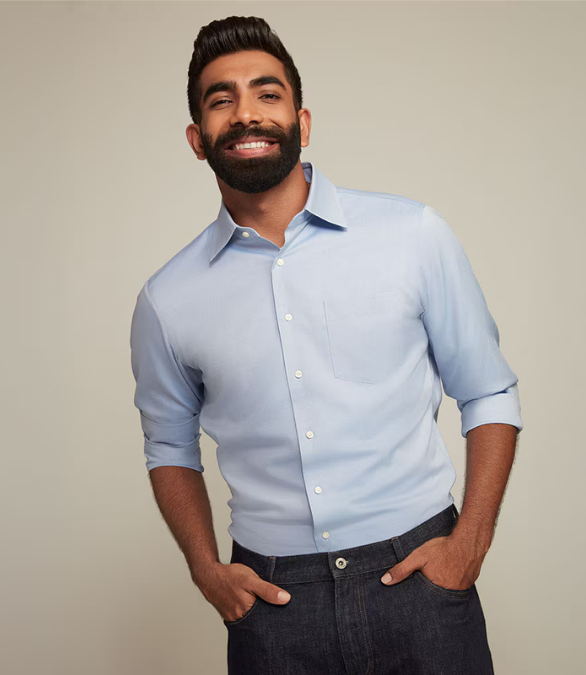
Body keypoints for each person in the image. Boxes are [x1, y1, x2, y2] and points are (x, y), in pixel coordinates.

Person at [129, 15, 523, 675]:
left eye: (267, 93)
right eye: (221, 99)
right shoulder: (168, 298)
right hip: (275, 605)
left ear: (303, 123)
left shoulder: (411, 235)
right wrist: (206, 569)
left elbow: (488, 391)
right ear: (199, 140)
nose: (246, 113)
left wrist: (468, 544)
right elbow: (169, 447)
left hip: (422, 580)